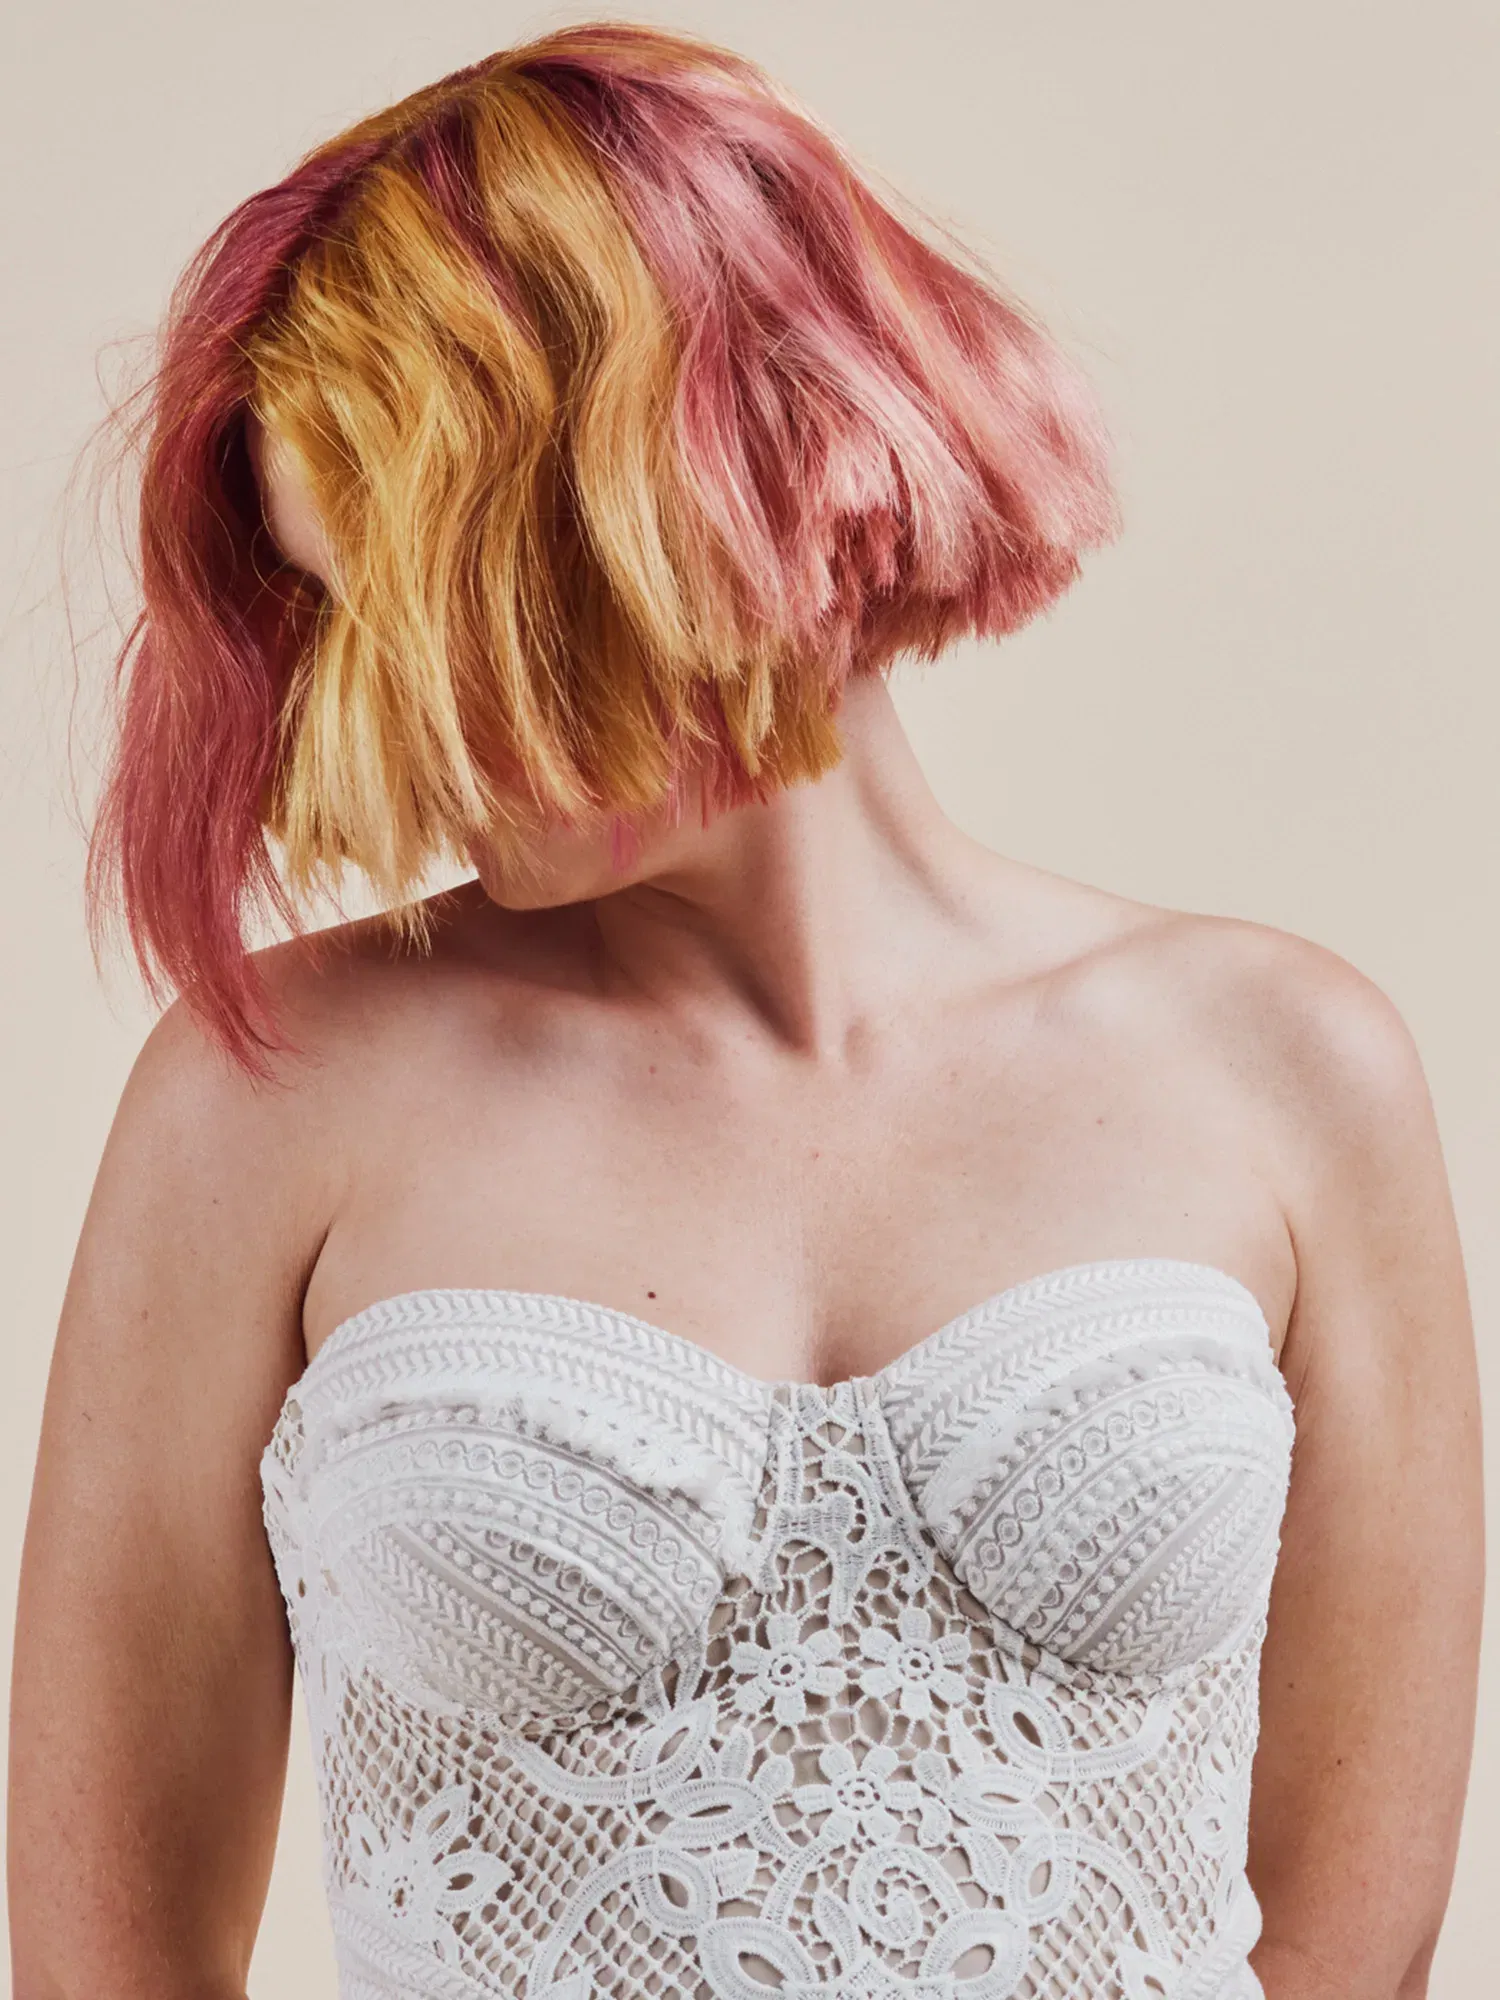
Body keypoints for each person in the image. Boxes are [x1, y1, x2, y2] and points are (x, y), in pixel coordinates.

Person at [8, 20, 1483, 2000]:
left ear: (728, 477)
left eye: (434, 600)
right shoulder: (266, 1098)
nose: (381, 717)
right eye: (333, 621)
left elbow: (1352, 1951)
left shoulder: (1287, 1070)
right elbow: (106, 1968)